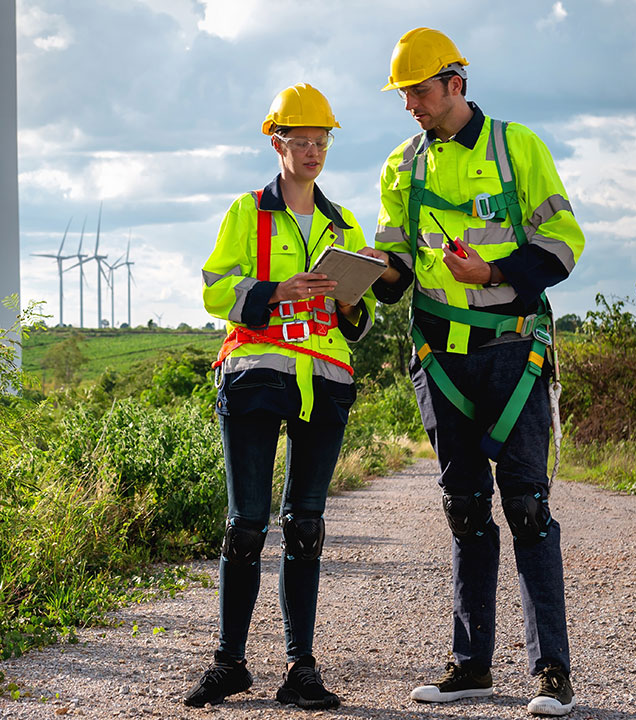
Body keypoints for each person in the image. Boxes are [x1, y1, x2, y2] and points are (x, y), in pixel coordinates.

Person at [365, 28, 586, 716]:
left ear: (456, 85)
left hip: (511, 351)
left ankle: (551, 673)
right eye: (405, 97)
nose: (412, 108)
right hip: (440, 358)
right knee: (465, 510)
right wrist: (366, 275)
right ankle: (471, 668)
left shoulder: (518, 149)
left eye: (421, 93)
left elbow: (563, 244)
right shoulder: (400, 168)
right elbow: (396, 268)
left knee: (526, 506)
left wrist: (491, 271)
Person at [185, 83, 377, 710]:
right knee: (246, 525)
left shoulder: (343, 223)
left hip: (325, 381)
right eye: (303, 141)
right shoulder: (247, 211)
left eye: (322, 141)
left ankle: (301, 669)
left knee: (306, 525)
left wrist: (350, 303)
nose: (315, 151)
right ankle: (230, 664)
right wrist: (277, 291)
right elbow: (216, 289)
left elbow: (360, 321)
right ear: (277, 142)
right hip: (256, 374)